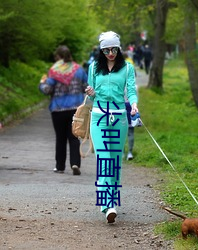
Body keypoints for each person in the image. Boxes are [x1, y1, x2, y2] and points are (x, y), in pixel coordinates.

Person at [85, 31, 138, 223]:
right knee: (104, 159)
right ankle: (108, 205)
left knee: (115, 163)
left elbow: (131, 90)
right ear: (101, 50)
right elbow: (91, 97)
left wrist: (133, 104)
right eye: (106, 50)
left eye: (114, 49)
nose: (110, 53)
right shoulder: (93, 68)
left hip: (119, 118)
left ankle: (110, 201)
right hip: (99, 117)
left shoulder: (127, 68)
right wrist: (90, 92)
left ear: (119, 48)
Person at [39, 45, 88, 175]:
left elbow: (47, 90)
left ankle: (60, 166)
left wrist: (42, 83)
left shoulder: (54, 71)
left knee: (60, 138)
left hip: (58, 109)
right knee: (74, 137)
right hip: (75, 109)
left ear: (58, 57)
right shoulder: (79, 70)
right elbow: (86, 87)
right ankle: (75, 163)